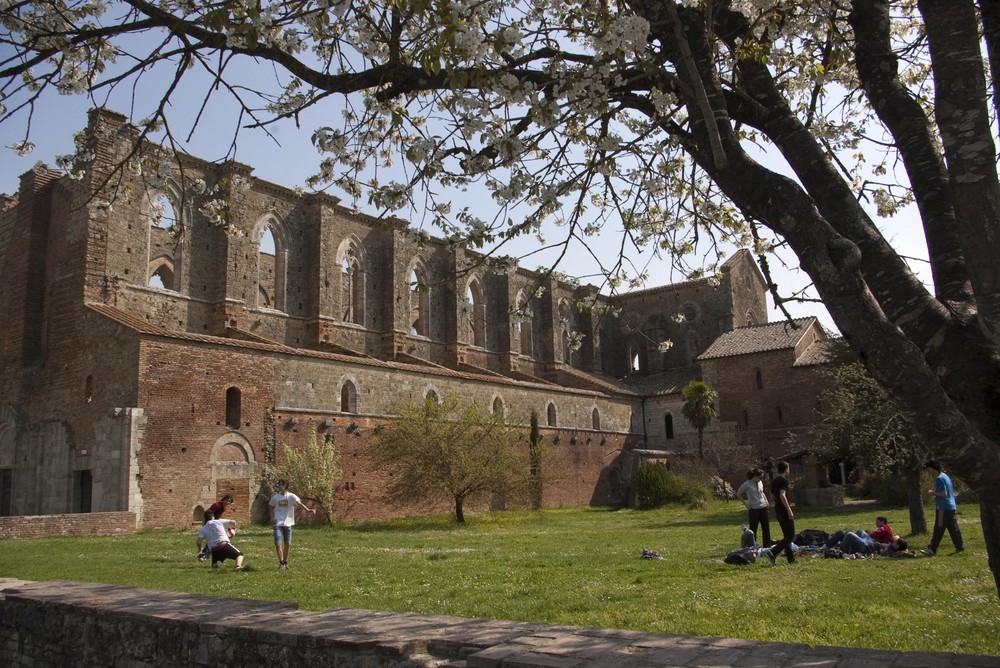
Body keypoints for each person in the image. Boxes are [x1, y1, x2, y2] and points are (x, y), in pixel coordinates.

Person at [269, 479, 316, 570]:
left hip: (288, 523)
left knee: (288, 544)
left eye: (281, 484)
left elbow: (299, 503)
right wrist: (272, 517)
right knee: (278, 544)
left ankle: (285, 562)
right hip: (278, 523)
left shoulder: (291, 496)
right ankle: (281, 562)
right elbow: (270, 507)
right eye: (279, 484)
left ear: (285, 486)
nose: (279, 486)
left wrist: (308, 510)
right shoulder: (276, 497)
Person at [922, 459, 965, 556]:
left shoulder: (939, 478)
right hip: (950, 506)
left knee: (938, 528)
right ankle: (960, 547)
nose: (928, 471)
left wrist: (933, 493)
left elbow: (944, 494)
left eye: (929, 469)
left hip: (943, 508)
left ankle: (932, 549)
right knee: (953, 528)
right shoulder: (945, 476)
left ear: (934, 468)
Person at [767, 460, 796, 564]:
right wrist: (789, 510)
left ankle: (791, 559)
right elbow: (782, 495)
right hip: (784, 511)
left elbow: (772, 495)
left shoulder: (774, 481)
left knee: (786, 535)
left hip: (777, 510)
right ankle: (773, 553)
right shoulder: (784, 481)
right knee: (791, 536)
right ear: (786, 469)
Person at [735, 467, 771, 548]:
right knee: (753, 528)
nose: (761, 479)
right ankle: (752, 546)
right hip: (754, 509)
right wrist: (746, 504)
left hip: (763, 507)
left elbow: (762, 492)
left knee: (766, 527)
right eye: (760, 477)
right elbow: (738, 494)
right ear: (754, 476)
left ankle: (767, 545)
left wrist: (766, 500)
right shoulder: (747, 484)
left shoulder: (760, 483)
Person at [198, 494, 235, 562]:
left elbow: (217, 516)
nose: (227, 502)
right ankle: (204, 555)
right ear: (223, 499)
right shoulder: (217, 505)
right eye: (226, 500)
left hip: (215, 524)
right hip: (210, 524)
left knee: (215, 539)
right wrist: (212, 519)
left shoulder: (223, 507)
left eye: (229, 501)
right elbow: (209, 512)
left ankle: (205, 554)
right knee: (212, 540)